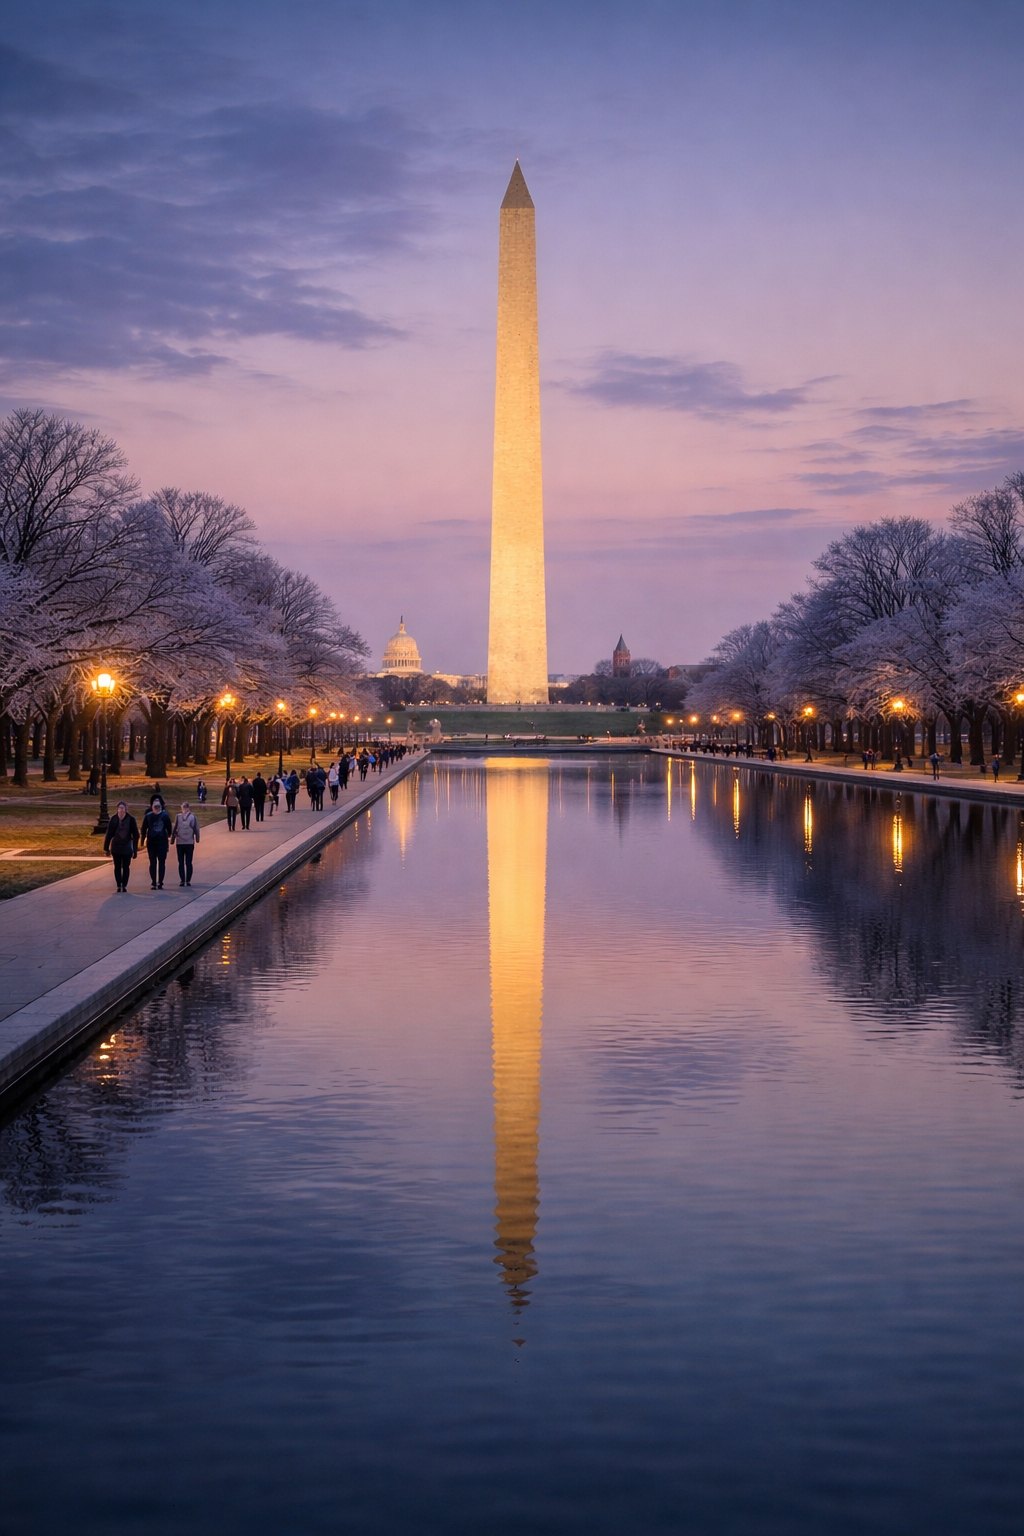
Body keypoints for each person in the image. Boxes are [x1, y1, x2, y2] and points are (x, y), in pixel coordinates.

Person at [103, 800, 139, 892]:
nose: (121, 811)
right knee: (117, 866)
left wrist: (135, 850)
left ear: (126, 810)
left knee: (126, 866)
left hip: (126, 847)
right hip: (116, 847)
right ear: (117, 810)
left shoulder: (131, 819)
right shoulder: (114, 819)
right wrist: (106, 848)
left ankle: (124, 884)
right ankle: (119, 884)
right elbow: (109, 834)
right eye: (120, 809)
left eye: (123, 809)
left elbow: (135, 835)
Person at [141, 794, 173, 889]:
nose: (156, 805)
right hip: (151, 842)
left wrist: (168, 837)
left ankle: (160, 882)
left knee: (162, 862)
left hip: (162, 842)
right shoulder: (148, 816)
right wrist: (142, 840)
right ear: (152, 806)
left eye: (158, 802)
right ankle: (154, 881)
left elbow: (169, 828)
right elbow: (143, 829)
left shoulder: (165, 815)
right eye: (154, 803)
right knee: (152, 862)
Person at [171, 802, 200, 886]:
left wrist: (172, 840)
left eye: (184, 808)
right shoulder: (190, 817)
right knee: (186, 862)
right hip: (186, 843)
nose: (183, 810)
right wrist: (197, 838)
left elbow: (174, 829)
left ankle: (184, 880)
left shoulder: (185, 817)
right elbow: (196, 829)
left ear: (187, 808)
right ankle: (186, 880)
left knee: (184, 862)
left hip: (184, 843)